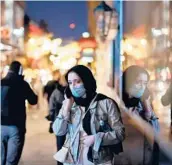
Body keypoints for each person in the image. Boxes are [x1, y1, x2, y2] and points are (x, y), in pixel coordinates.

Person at [53, 65, 125, 165]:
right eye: (70, 83)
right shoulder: (69, 104)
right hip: (73, 159)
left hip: (99, 160)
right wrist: (66, 109)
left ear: (86, 81)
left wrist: (97, 138)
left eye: (77, 81)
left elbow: (120, 133)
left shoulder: (106, 103)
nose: (73, 86)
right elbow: (58, 131)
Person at [1, 61, 38, 165]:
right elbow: (33, 100)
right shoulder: (22, 84)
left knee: (1, 159)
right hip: (16, 127)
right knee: (11, 161)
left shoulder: (1, 82)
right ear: (20, 70)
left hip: (0, 126)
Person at [121, 65, 159, 165]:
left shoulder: (143, 104)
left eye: (145, 83)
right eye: (138, 82)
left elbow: (155, 133)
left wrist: (147, 106)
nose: (142, 86)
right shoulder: (117, 104)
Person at [47, 80, 66, 165]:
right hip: (70, 123)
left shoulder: (55, 92)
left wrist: (51, 118)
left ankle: (60, 163)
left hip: (58, 121)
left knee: (60, 145)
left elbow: (51, 107)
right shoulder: (71, 91)